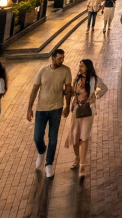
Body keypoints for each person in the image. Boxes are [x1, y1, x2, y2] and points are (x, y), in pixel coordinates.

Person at [26, 48, 73, 178]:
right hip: (41, 109)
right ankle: (41, 151)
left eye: (63, 58)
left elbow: (68, 89)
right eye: (59, 58)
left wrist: (67, 106)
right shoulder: (42, 71)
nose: (62, 60)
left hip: (56, 108)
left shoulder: (66, 71)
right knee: (37, 137)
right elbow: (35, 89)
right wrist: (29, 108)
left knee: (53, 138)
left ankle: (48, 164)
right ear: (52, 58)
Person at [63, 59, 108, 181]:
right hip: (77, 111)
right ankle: (77, 157)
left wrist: (95, 96)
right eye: (79, 66)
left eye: (82, 66)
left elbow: (104, 88)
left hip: (88, 111)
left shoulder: (94, 79)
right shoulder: (77, 79)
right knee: (75, 135)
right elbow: (73, 93)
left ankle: (82, 165)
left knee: (84, 136)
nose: (80, 68)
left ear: (87, 67)